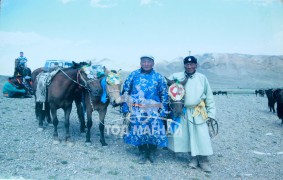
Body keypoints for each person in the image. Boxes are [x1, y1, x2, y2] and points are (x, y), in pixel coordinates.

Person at [168, 56, 216, 172]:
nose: (189, 67)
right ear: (184, 65)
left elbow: (209, 96)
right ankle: (193, 159)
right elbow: (167, 85)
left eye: (192, 64)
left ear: (196, 65)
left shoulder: (202, 78)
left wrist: (211, 114)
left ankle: (204, 160)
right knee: (187, 136)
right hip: (183, 111)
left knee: (202, 136)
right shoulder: (177, 76)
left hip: (198, 111)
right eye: (187, 64)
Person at [121, 55, 169, 164]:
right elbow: (126, 91)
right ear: (140, 63)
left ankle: (151, 153)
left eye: (149, 62)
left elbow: (164, 94)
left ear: (153, 63)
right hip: (137, 110)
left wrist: (163, 110)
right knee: (139, 131)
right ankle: (142, 152)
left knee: (155, 132)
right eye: (144, 62)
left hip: (154, 110)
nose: (146, 64)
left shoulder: (158, 77)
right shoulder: (134, 75)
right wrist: (125, 108)